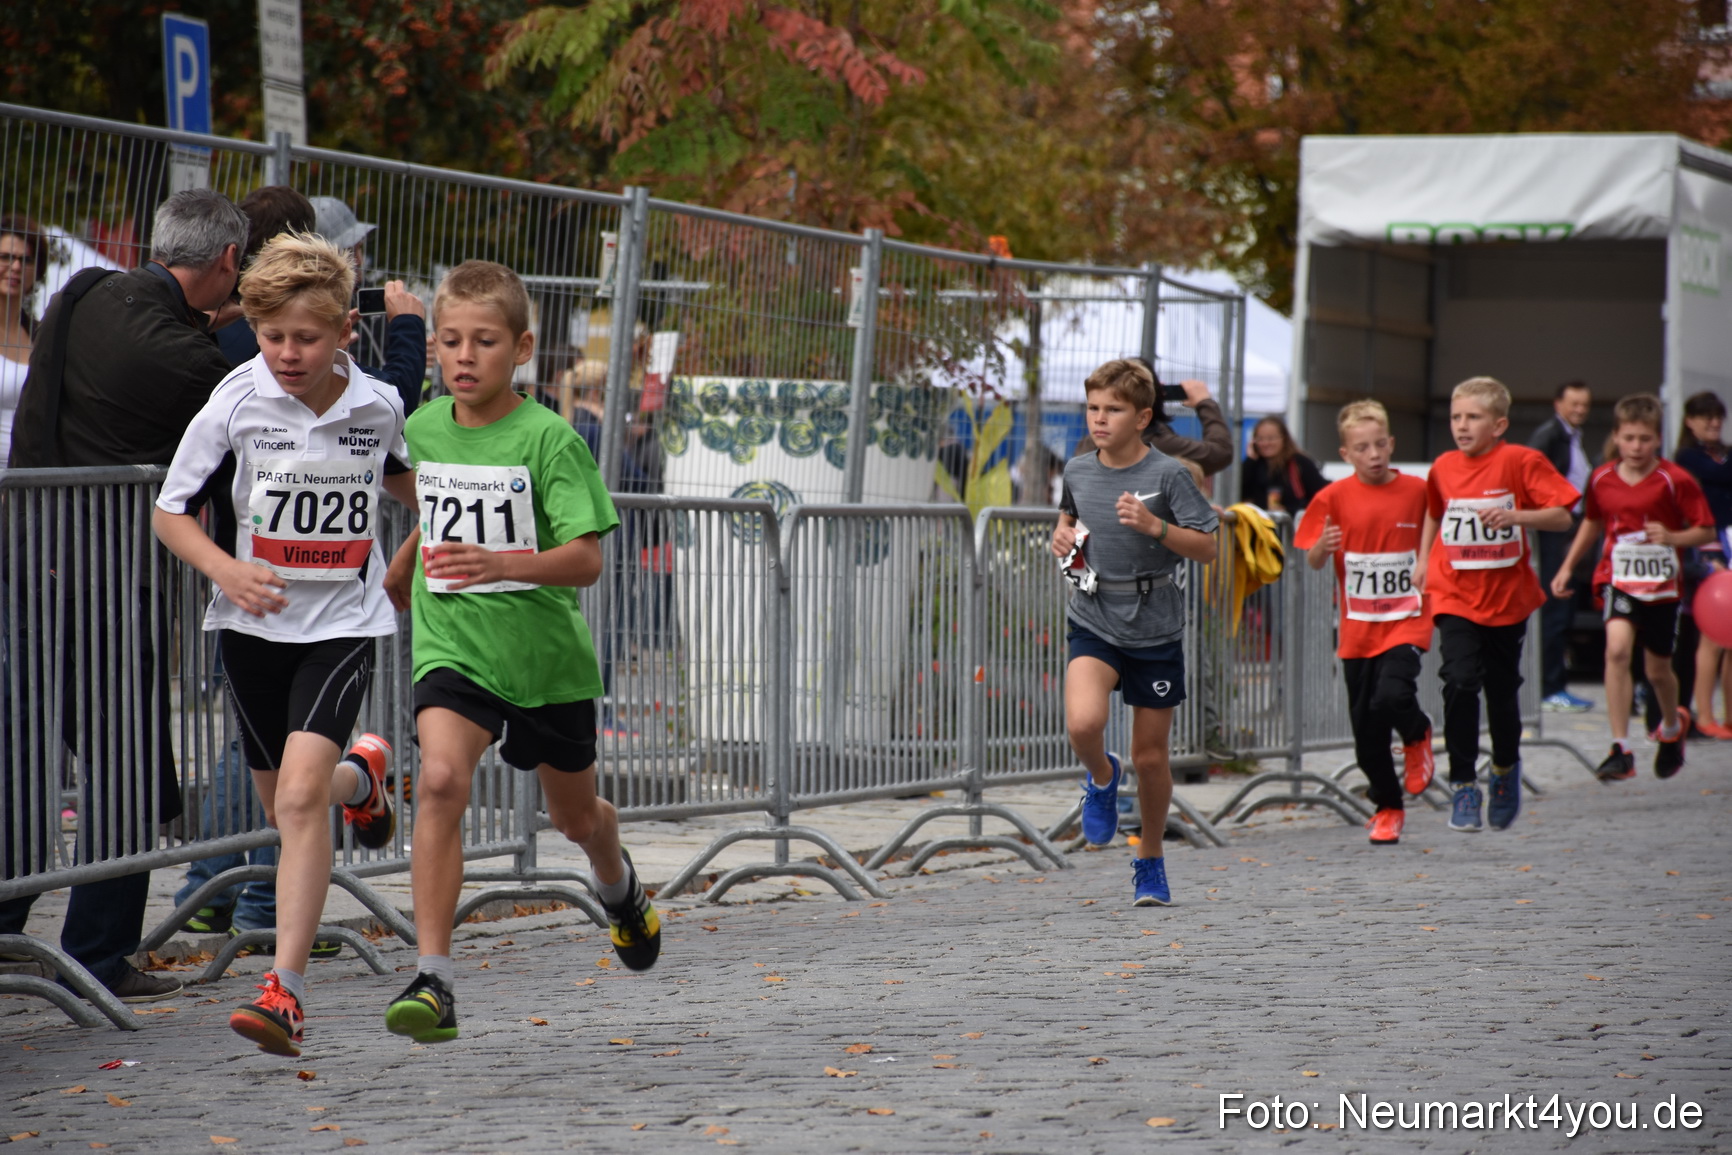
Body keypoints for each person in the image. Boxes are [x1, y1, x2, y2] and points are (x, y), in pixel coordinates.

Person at [381, 260, 660, 1043]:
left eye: (485, 342)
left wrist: (503, 563)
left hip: (543, 660)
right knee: (439, 780)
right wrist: (411, 554)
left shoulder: (550, 439)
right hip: (455, 646)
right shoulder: (423, 428)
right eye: (450, 341)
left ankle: (618, 884)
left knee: (575, 817)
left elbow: (586, 558)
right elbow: (433, 496)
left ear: (524, 347)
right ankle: (434, 979)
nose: (464, 357)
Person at [152, 232, 414, 1055]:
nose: (289, 354)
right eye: (273, 337)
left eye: (306, 337)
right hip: (249, 629)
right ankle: (363, 776)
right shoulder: (234, 401)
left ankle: (285, 991)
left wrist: (397, 574)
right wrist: (227, 570)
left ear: (344, 331)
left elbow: (422, 492)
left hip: (341, 625)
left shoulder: (377, 406)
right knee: (289, 805)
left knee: (297, 803)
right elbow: (169, 513)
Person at [3, 188, 249, 1004]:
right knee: (126, 776)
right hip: (111, 582)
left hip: (37, 556)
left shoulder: (86, 292)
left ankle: (28, 940)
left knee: (38, 766)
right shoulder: (190, 361)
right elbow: (233, 407)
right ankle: (95, 957)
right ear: (226, 262)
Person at [1050, 358, 1219, 905]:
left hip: (1154, 626)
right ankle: (1101, 778)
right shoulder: (1077, 468)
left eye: (1113, 410)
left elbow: (1208, 545)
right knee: (1083, 723)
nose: (1100, 419)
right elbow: (1069, 520)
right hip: (1094, 614)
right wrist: (1061, 538)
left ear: (1143, 417)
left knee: (1150, 758)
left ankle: (1149, 857)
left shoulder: (1167, 474)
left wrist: (1156, 527)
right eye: (1093, 408)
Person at [1412, 376, 1578, 833]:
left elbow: (1563, 515)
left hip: (1505, 597)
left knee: (1502, 691)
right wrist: (1424, 559)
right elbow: (1434, 510)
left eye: (1473, 417)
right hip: (1454, 591)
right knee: (1460, 681)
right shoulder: (1443, 466)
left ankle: (1505, 769)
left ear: (1499, 424)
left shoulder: (1521, 461)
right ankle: (1464, 783)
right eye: (1456, 417)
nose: (1461, 426)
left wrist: (1516, 516)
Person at [1549, 394, 1716, 780]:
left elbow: (1704, 530)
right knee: (1618, 650)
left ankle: (1672, 729)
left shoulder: (1675, 480)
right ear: (1616, 437)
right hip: (1618, 578)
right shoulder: (1602, 478)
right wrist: (1567, 566)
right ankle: (1620, 747)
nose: (1636, 447)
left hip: (1661, 586)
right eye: (1629, 439)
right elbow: (1592, 522)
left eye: (1644, 439)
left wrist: (1673, 538)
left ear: (1657, 439)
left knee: (1658, 670)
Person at [1294, 400, 1434, 844]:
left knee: (1393, 695)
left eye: (1379, 445)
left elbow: (1440, 536)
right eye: (1362, 448)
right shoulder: (1332, 497)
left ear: (1391, 444)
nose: (1373, 454)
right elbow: (1313, 559)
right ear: (1346, 454)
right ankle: (1388, 807)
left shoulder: (1418, 491)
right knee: (1366, 731)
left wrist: (1427, 561)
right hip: (1358, 627)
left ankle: (1417, 732)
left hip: (1406, 618)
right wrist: (1323, 545)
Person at [308, 195, 428, 414]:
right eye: (349, 251)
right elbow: (396, 401)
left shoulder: (361, 308)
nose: (359, 261)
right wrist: (409, 332)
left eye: (359, 249)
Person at [1528, 381, 1595, 712]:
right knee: (1554, 608)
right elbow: (1533, 478)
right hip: (1555, 529)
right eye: (1574, 404)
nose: (1580, 410)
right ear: (1558, 404)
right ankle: (1549, 686)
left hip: (1571, 528)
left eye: (1585, 404)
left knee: (1564, 606)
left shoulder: (1571, 436)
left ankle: (1555, 684)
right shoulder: (1549, 435)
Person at [1675, 391, 1732, 738]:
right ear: (1690, 421)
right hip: (1705, 548)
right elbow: (1712, 474)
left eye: (1718, 417)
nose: (1713, 423)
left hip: (1729, 543)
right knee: (1711, 636)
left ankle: (1728, 715)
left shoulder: (1722, 456)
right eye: (1705, 416)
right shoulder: (1686, 457)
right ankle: (1705, 714)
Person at [0, 215, 45, 462]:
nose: (16, 267)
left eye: (25, 259)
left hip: (26, 487)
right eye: (6, 257)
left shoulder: (41, 336)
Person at [1240, 415, 1329, 514]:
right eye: (1260, 439)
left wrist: (1288, 511)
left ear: (1284, 438)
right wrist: (1250, 460)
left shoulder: (1299, 463)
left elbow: (1320, 496)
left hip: (1293, 526)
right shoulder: (1253, 465)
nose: (1265, 443)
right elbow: (1239, 491)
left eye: (1271, 438)